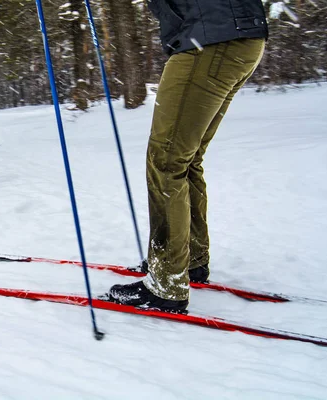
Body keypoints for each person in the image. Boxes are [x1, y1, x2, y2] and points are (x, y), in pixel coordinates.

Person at [108, 0, 269, 312]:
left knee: (167, 161)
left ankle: (167, 282)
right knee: (186, 158)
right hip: (234, 36)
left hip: (211, 37)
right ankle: (189, 261)